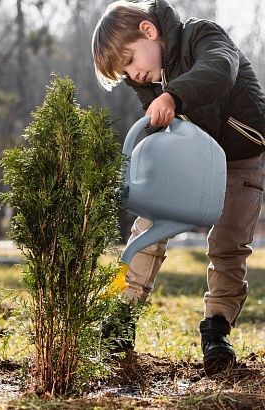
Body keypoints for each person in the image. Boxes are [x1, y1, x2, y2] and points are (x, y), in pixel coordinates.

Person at [92, 0, 265, 376]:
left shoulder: (201, 35)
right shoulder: (148, 79)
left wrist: (173, 96)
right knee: (148, 229)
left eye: (129, 61)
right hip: (189, 162)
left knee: (229, 243)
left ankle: (217, 332)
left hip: (240, 156)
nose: (132, 75)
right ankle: (121, 318)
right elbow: (158, 130)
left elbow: (220, 68)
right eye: (124, 72)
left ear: (149, 31)